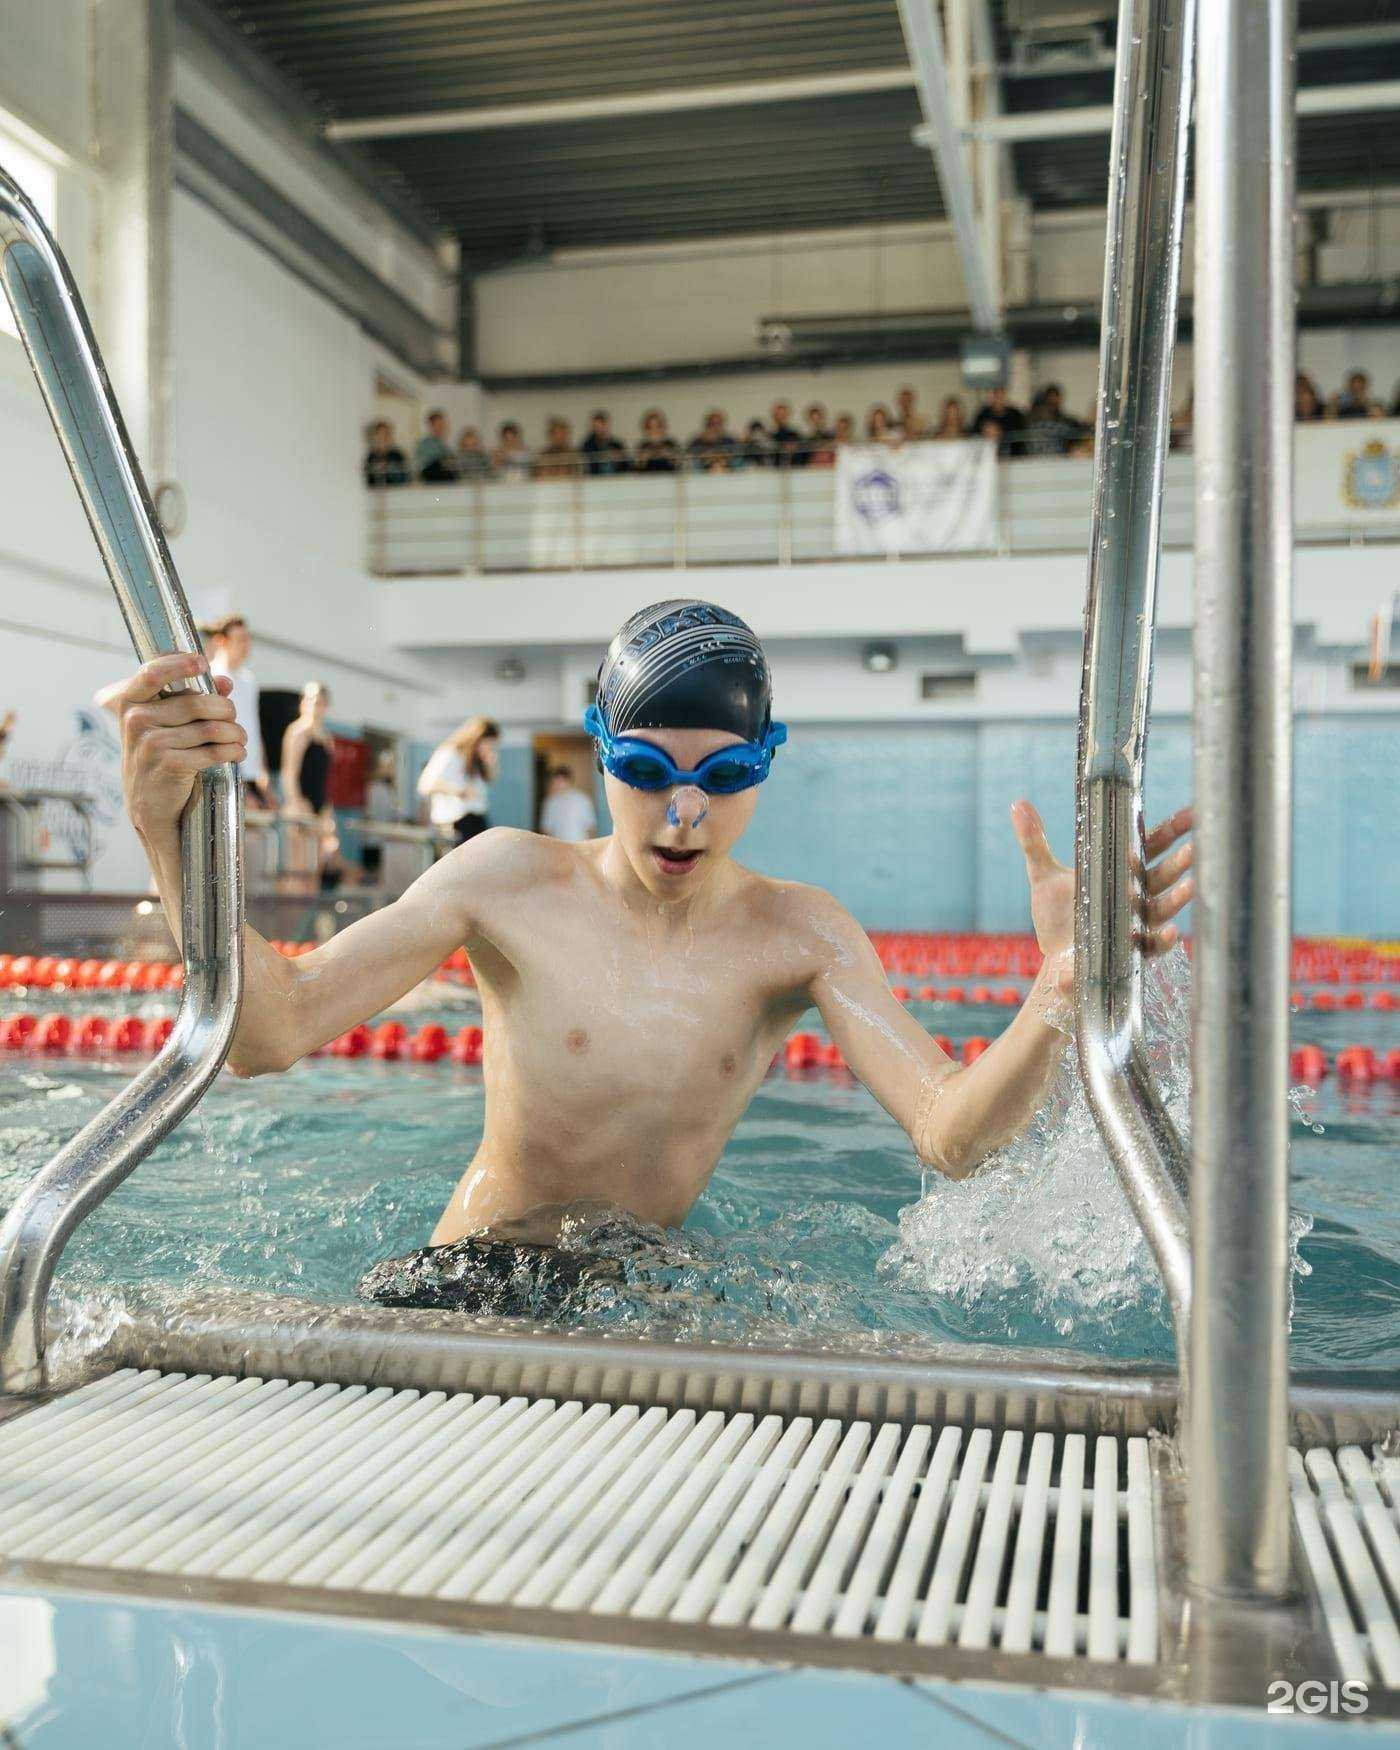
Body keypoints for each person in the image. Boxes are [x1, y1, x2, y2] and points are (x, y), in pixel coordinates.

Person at [108, 601, 1195, 1314]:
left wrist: (1061, 987)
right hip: (467, 1283)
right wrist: (167, 837)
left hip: (645, 1287)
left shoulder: (798, 935)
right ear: (596, 751)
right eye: (642, 769)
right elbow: (269, 1029)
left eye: (720, 778)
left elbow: (949, 1134)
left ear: (765, 766)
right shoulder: (502, 879)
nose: (682, 817)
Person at [202, 614, 272, 810]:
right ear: (222, 641)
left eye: (248, 639)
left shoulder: (249, 681)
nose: (246, 645)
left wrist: (262, 774)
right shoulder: (213, 676)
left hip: (250, 779)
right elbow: (214, 732)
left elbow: (253, 729)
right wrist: (238, 782)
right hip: (225, 776)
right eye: (241, 639)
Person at [279, 681, 340, 890]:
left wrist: (327, 811)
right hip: (300, 807)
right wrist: (296, 803)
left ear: (326, 706)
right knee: (297, 870)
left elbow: (325, 780)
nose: (316, 705)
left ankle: (308, 920)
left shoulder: (326, 738)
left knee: (315, 870)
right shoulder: (297, 732)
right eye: (312, 700)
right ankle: (290, 919)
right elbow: (289, 772)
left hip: (318, 808)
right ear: (303, 703)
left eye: (321, 702)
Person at [417, 717, 500, 845]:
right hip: (456, 822)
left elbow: (490, 780)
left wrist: (490, 764)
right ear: (476, 739)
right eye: (488, 743)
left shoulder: (475, 761)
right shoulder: (450, 753)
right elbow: (425, 785)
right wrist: (459, 791)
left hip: (477, 820)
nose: (489, 748)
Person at [1021, 385, 1087, 459]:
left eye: (1054, 404)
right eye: (1049, 404)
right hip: (1045, 463)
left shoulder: (1061, 422)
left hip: (1052, 464)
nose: (1051, 409)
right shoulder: (1040, 426)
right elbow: (1073, 432)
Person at [539, 766, 597, 843]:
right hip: (558, 847)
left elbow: (590, 827)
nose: (558, 784)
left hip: (580, 846)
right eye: (556, 781)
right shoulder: (550, 802)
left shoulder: (582, 799)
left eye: (561, 780)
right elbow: (546, 829)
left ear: (569, 781)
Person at [972, 386, 1027, 456]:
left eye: (1001, 395)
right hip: (987, 454)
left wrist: (1002, 435)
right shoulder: (983, 415)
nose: (998, 398)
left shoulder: (1015, 414)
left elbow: (1021, 437)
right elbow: (975, 436)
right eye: (996, 395)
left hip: (1013, 455)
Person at [581, 410, 629, 476]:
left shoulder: (617, 444)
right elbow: (585, 463)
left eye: (601, 426)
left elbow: (627, 465)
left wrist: (619, 459)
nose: (599, 429)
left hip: (616, 479)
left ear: (607, 425)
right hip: (595, 479)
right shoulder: (587, 445)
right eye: (597, 427)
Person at [415, 411, 458, 483]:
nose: (442, 427)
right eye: (439, 425)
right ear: (431, 426)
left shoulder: (445, 445)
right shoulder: (424, 444)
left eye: (443, 424)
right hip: (432, 480)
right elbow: (422, 465)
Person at [364, 420, 409, 488]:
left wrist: (388, 468)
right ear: (375, 436)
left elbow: (405, 478)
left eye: (386, 433)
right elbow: (368, 480)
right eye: (380, 434)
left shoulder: (397, 454)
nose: (384, 437)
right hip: (375, 494)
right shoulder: (371, 456)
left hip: (397, 492)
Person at [768, 400, 803, 467]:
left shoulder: (794, 433)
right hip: (772, 469)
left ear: (787, 415)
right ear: (774, 415)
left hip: (793, 469)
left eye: (783, 414)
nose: (781, 417)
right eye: (779, 414)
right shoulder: (769, 433)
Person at [803, 403, 836, 467]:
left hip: (828, 466)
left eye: (818, 418)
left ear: (822, 418)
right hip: (813, 468)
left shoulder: (830, 435)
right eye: (813, 419)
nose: (816, 422)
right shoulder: (805, 438)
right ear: (809, 420)